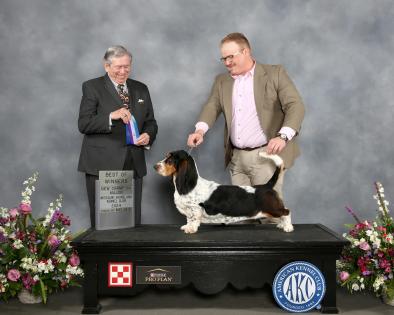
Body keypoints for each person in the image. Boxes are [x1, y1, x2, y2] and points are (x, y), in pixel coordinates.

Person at [187, 33, 304, 199]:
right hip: (236, 159)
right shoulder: (221, 81)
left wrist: (283, 136)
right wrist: (199, 131)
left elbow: (295, 106)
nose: (227, 63)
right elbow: (212, 106)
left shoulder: (275, 73)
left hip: (266, 156)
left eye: (230, 57)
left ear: (246, 52)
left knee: (268, 215)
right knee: (241, 215)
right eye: (223, 59)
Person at [78, 45, 158, 228]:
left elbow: (151, 122)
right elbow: (83, 124)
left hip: (134, 162)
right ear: (106, 66)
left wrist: (148, 135)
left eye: (127, 66)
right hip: (102, 164)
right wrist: (110, 117)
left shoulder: (141, 88)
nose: (123, 71)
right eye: (118, 67)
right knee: (103, 223)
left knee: (131, 223)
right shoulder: (92, 87)